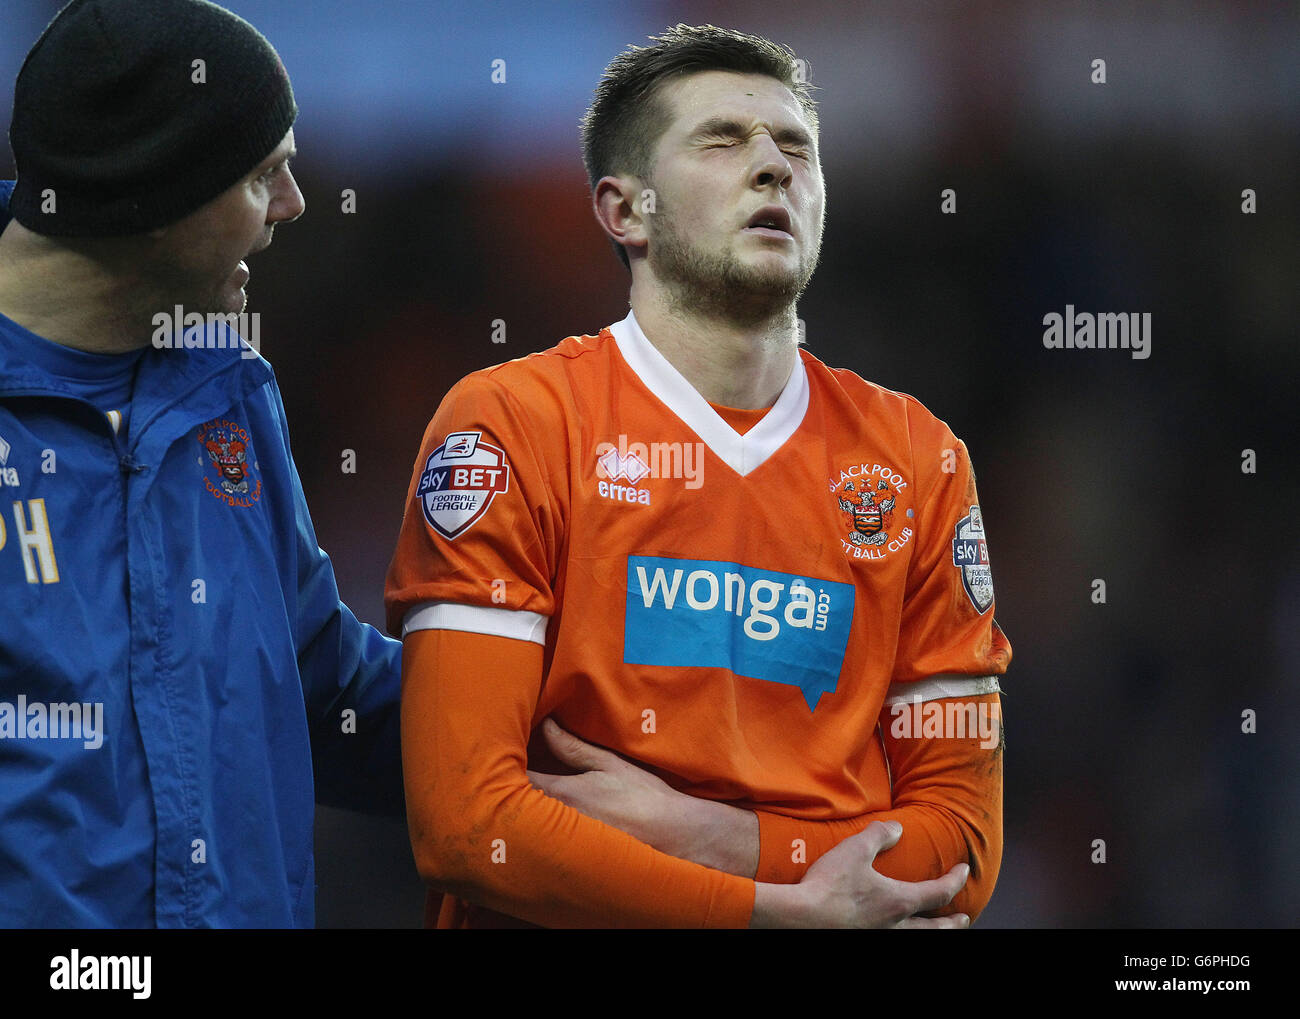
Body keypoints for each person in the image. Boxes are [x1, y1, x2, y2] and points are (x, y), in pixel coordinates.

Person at [386, 24, 1011, 928]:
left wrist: (718, 839)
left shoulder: (918, 458)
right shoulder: (513, 425)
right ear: (623, 210)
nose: (773, 167)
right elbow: (463, 824)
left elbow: (962, 842)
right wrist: (777, 910)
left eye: (796, 147)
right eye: (722, 141)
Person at [0, 0, 402, 927]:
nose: (295, 206)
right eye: (267, 174)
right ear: (154, 200)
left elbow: (320, 691)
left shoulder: (229, 388)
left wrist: (572, 700)